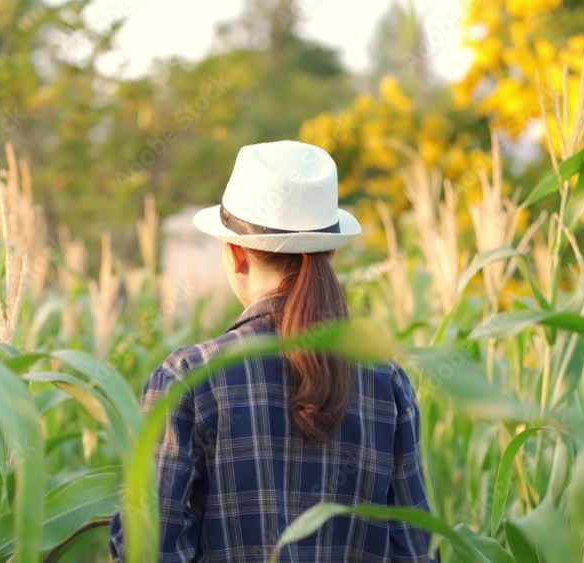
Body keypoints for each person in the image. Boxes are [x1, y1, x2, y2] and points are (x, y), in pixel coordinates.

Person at [110, 140, 434, 562]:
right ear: (331, 252)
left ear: (236, 255)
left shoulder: (188, 379)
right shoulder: (386, 383)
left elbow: (144, 550)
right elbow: (415, 550)